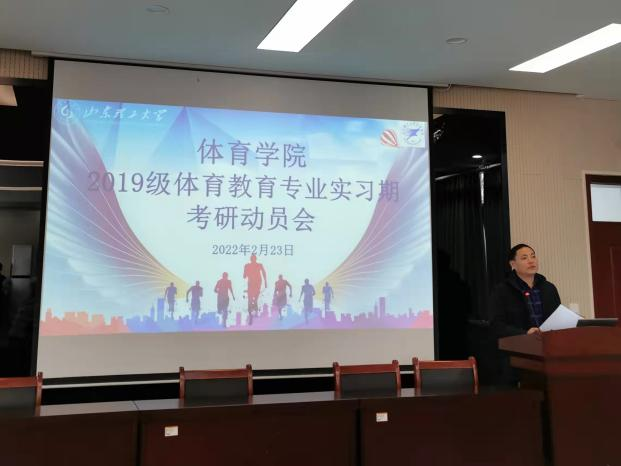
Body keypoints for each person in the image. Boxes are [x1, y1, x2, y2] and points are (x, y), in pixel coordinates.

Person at [489, 244, 561, 384]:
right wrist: (525, 333)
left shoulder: (549, 288)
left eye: (533, 256)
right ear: (513, 264)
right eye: (524, 258)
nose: (531, 261)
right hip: (516, 355)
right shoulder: (502, 290)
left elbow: (557, 317)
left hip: (548, 352)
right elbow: (496, 325)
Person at [243, 254, 267, 321]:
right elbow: (264, 273)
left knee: (251, 299)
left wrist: (246, 271)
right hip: (256, 283)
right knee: (254, 298)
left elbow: (244, 276)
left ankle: (252, 312)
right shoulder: (259, 265)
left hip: (253, 283)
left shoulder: (248, 265)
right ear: (256, 259)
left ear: (250, 259)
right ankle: (254, 311)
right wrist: (265, 282)